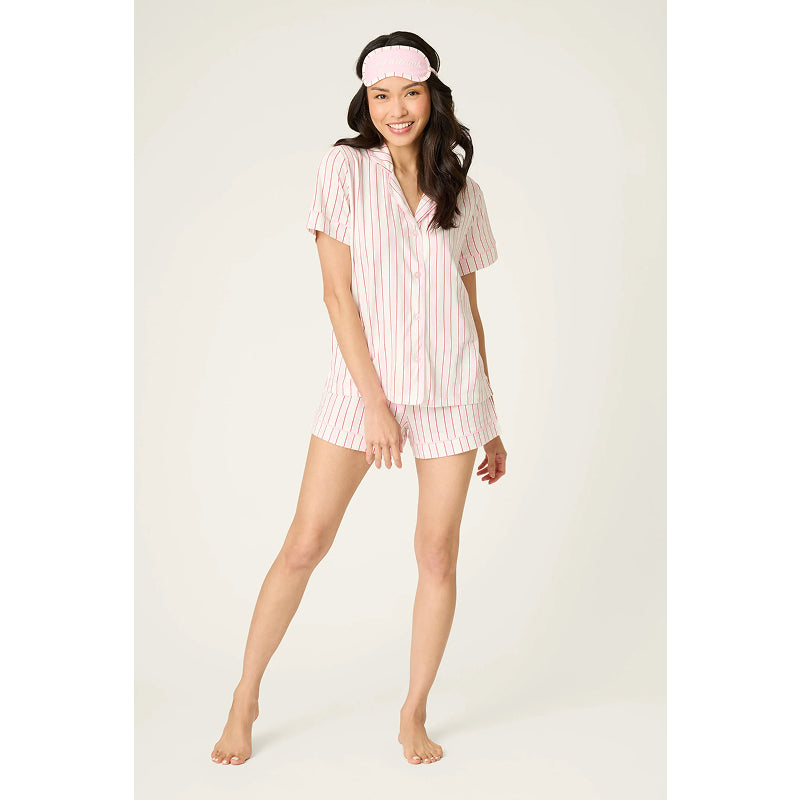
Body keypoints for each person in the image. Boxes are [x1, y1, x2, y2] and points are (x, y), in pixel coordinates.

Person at [211, 31, 508, 768]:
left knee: (437, 555)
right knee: (305, 543)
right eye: (381, 96)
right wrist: (375, 404)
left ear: (433, 97)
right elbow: (337, 297)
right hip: (361, 389)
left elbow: (470, 311)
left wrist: (491, 421)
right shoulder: (344, 169)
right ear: (365, 101)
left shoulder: (462, 191)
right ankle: (245, 697)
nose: (396, 109)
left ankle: (413, 712)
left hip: (452, 395)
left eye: (410, 93)